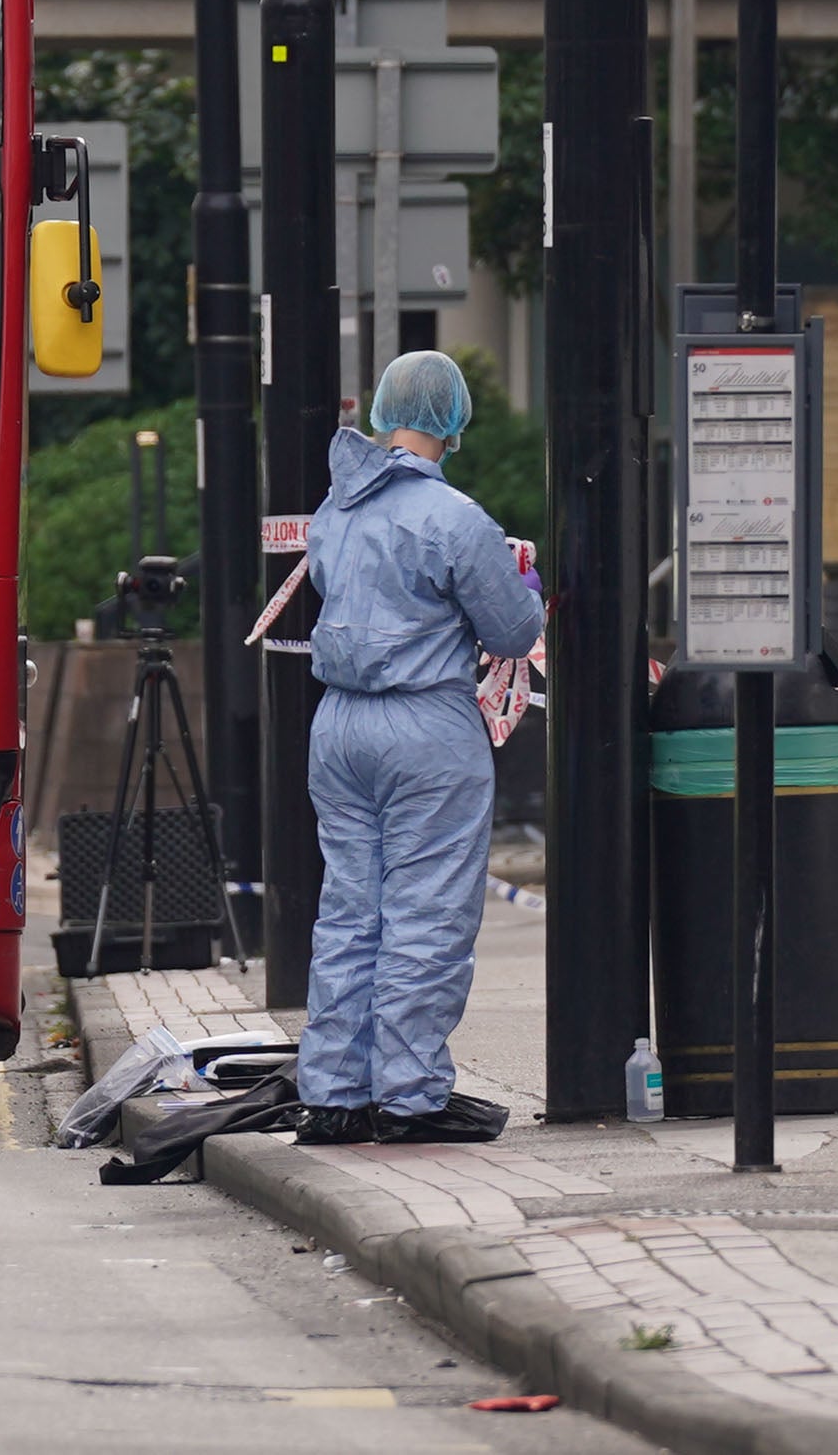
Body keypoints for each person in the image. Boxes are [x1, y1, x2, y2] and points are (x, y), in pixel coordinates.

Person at [293, 348, 547, 1145]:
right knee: (426, 910)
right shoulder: (457, 519)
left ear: (382, 410)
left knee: (349, 908)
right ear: (455, 419)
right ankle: (410, 1095)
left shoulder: (334, 511)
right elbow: (512, 629)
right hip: (426, 728)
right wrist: (526, 586)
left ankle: (333, 1093)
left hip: (338, 726)